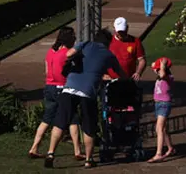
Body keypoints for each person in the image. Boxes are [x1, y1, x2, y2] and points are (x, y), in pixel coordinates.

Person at [44, 29, 126, 169]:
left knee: (60, 122)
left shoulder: (85, 44)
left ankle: (50, 153)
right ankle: (88, 159)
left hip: (69, 88)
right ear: (108, 42)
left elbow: (68, 54)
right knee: (89, 127)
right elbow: (122, 75)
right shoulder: (109, 55)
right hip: (88, 93)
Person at [29, 27, 83, 160]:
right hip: (62, 87)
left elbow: (47, 71)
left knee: (47, 118)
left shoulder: (50, 52)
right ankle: (77, 150)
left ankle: (34, 147)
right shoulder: (67, 53)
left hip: (49, 87)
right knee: (73, 118)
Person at [148, 57, 175, 162]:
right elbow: (153, 67)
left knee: (158, 128)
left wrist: (163, 65)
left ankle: (159, 153)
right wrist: (157, 63)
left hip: (164, 104)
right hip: (158, 104)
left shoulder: (168, 77)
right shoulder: (159, 75)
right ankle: (170, 148)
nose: (157, 71)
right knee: (164, 128)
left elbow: (163, 74)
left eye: (159, 69)